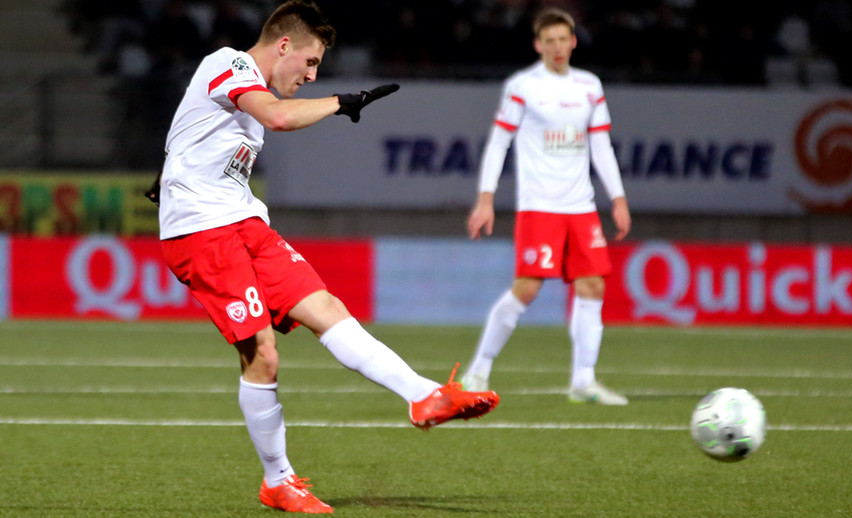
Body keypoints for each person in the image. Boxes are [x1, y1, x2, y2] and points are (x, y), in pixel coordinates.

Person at [148, 1, 499, 513]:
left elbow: (200, 131)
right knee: (262, 354)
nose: (311, 75)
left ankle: (423, 395)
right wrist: (342, 100)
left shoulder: (241, 90)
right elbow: (282, 117)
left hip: (245, 223)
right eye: (310, 63)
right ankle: (278, 481)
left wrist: (171, 166)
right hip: (202, 232)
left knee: (327, 309)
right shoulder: (230, 62)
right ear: (284, 45)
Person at [460, 8, 631, 406]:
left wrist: (617, 198)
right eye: (548, 41)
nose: (557, 47)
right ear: (539, 45)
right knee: (527, 288)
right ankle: (478, 370)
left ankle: (583, 381)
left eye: (563, 40)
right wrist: (485, 198)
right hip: (540, 206)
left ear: (573, 41)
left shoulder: (590, 85)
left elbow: (601, 145)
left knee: (593, 285)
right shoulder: (523, 86)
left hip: (582, 206)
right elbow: (499, 142)